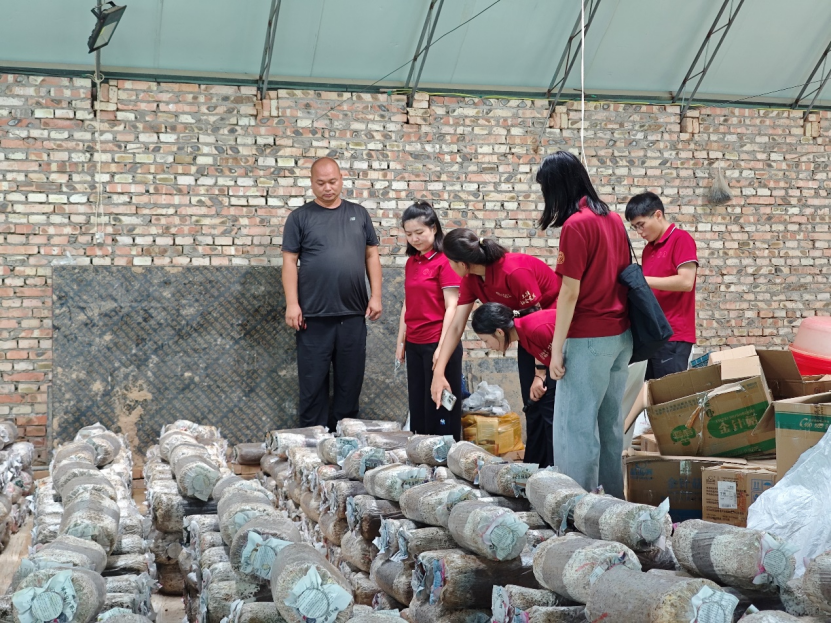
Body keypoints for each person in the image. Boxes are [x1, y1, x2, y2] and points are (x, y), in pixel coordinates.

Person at [537, 150, 632, 499]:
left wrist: (556, 350)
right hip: (621, 336)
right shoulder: (613, 219)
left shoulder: (577, 225)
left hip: (589, 338)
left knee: (575, 428)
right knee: (609, 426)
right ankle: (613, 506)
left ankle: (575, 507)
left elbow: (569, 292)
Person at [430, 229, 560, 468]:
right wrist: (439, 372)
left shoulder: (513, 270)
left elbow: (537, 319)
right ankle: (535, 470)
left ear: (462, 263)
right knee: (532, 405)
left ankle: (557, 472)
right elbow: (457, 326)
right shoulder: (472, 279)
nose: (449, 267)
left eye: (449, 262)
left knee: (548, 404)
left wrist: (540, 373)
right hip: (526, 333)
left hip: (552, 333)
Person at [281, 157, 383, 430]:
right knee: (312, 384)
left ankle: (345, 441)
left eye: (332, 181)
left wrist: (376, 296)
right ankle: (311, 442)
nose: (327, 188)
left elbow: (371, 255)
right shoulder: (299, 217)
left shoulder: (359, 214)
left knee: (350, 384)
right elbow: (289, 262)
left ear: (341, 179)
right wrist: (292, 304)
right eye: (321, 183)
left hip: (353, 314)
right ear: (312, 183)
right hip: (312, 316)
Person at [395, 202, 463, 439]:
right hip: (415, 343)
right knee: (419, 407)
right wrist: (401, 341)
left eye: (419, 232)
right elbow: (407, 303)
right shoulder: (412, 262)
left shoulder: (446, 261)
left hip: (438, 341)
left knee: (441, 406)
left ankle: (445, 454)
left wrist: (442, 348)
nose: (414, 239)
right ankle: (421, 454)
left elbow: (452, 306)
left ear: (434, 228)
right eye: (409, 234)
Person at [625, 192, 698, 380]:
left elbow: (686, 282)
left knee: (670, 395)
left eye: (641, 225)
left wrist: (642, 281)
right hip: (653, 335)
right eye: (635, 227)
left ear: (658, 215)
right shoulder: (648, 249)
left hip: (674, 335)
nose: (639, 232)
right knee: (650, 393)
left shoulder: (681, 239)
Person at [471, 303, 556, 407]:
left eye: (486, 341)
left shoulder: (535, 329)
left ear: (499, 332)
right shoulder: (523, 336)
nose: (488, 346)